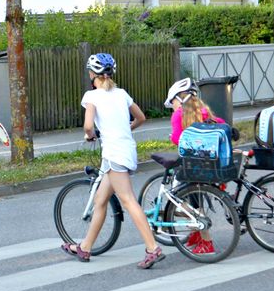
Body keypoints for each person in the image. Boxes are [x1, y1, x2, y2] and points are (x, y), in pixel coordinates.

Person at [61, 53, 165, 269]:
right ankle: (86, 247)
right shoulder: (122, 94)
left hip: (115, 153)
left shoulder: (92, 96)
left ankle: (152, 248)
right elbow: (141, 118)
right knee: (100, 200)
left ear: (92, 74)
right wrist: (124, 129)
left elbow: (88, 126)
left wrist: (91, 135)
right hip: (122, 151)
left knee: (127, 200)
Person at [163, 78, 224, 255]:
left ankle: (205, 240)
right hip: (209, 167)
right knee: (196, 200)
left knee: (177, 202)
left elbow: (177, 139)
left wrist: (172, 137)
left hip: (190, 168)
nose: (173, 106)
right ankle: (197, 235)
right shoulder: (206, 112)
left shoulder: (178, 116)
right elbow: (222, 125)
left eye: (173, 102)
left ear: (179, 100)